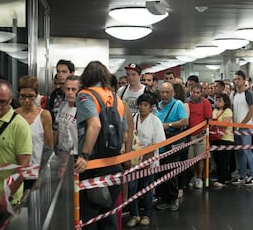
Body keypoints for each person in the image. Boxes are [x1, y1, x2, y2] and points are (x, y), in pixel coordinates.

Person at [75, 61, 127, 230]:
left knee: (89, 217)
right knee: (108, 214)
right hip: (113, 164)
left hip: (92, 165)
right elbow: (124, 133)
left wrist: (84, 156)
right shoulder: (116, 98)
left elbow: (95, 125)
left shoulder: (85, 95)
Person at [0, 79, 32, 221]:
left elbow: (23, 167)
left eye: (2, 102)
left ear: (10, 100)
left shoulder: (19, 126)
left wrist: (4, 197)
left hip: (7, 201)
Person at [126, 94, 165, 227]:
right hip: (134, 158)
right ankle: (134, 214)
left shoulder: (155, 121)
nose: (142, 107)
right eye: (141, 104)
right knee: (132, 188)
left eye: (146, 105)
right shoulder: (133, 118)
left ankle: (146, 214)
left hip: (150, 158)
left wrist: (147, 160)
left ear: (151, 107)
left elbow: (159, 142)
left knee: (147, 187)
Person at [155, 82, 188, 211]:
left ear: (173, 93)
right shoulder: (157, 106)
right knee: (160, 173)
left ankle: (173, 199)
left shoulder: (178, 104)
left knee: (170, 172)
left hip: (172, 143)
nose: (164, 94)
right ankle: (163, 198)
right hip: (159, 145)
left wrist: (168, 125)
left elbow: (185, 121)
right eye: (162, 92)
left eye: (167, 92)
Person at [15, 76, 54, 167]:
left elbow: (49, 145)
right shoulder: (13, 115)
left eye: (31, 96)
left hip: (38, 168)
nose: (27, 100)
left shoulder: (44, 115)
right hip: (18, 169)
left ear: (36, 95)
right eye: (23, 96)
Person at [230, 70, 253, 186]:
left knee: (247, 151)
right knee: (240, 152)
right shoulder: (234, 94)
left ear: (244, 80)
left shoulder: (248, 94)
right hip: (236, 127)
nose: (236, 81)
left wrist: (243, 123)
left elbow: (252, 110)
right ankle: (242, 175)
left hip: (245, 127)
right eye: (235, 79)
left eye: (238, 79)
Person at [186, 83, 212, 189]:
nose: (196, 94)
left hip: (200, 135)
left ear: (201, 93)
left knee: (200, 158)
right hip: (189, 135)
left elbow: (209, 119)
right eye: (194, 92)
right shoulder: (186, 103)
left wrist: (203, 131)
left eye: (198, 92)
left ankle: (200, 178)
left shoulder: (206, 103)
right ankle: (195, 176)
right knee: (190, 159)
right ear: (190, 91)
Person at [211, 93, 234, 187]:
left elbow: (225, 124)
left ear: (225, 102)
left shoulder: (228, 111)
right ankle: (225, 177)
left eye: (220, 100)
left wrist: (215, 123)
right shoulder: (214, 110)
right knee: (216, 158)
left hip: (226, 139)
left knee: (223, 160)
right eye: (216, 100)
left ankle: (222, 180)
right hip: (215, 138)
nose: (217, 102)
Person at [55, 75, 80, 155]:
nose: (70, 93)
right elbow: (59, 128)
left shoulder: (82, 110)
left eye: (73, 90)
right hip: (61, 151)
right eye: (67, 89)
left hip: (74, 153)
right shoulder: (62, 105)